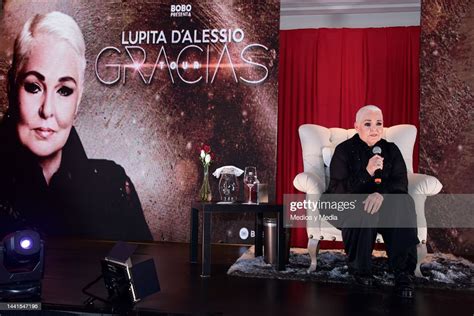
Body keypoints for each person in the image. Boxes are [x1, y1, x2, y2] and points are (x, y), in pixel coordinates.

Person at [0, 12, 152, 241]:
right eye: (34, 87)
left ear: (78, 100)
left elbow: (138, 267)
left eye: (64, 91)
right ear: (12, 86)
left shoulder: (112, 185)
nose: (47, 109)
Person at [323, 105, 419, 298]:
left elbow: (400, 182)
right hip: (346, 203)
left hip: (383, 205)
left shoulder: (391, 150)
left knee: (403, 201)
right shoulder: (344, 150)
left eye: (379, 124)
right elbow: (338, 191)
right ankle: (360, 270)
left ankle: (403, 272)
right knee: (362, 207)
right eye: (368, 124)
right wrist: (366, 172)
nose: (374, 129)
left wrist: (381, 194)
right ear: (357, 126)